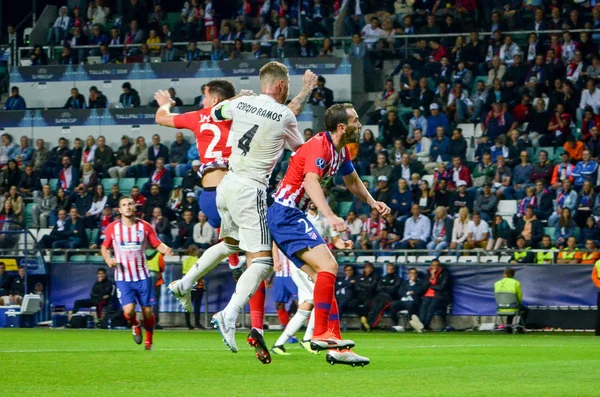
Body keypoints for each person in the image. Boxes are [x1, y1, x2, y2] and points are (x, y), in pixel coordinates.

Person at [165, 64, 317, 363]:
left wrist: (235, 100)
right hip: (251, 189)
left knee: (230, 244)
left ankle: (183, 283)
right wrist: (308, 89)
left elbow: (217, 112)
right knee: (262, 263)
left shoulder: (241, 103)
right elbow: (300, 148)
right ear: (282, 86)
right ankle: (229, 314)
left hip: (226, 184)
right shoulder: (285, 115)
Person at [268, 103, 390, 366]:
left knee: (324, 278)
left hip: (289, 216)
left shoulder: (340, 151)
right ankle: (322, 333)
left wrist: (372, 203)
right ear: (342, 127)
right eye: (356, 120)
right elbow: (311, 181)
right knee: (329, 266)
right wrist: (330, 216)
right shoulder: (319, 147)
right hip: (286, 213)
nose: (360, 125)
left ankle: (337, 347)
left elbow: (353, 182)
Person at [155, 80, 242, 282]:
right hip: (237, 189)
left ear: (214, 99)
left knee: (224, 231)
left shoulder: (198, 117)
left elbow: (161, 117)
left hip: (210, 194)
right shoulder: (240, 114)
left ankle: (233, 262)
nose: (202, 102)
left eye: (204, 97)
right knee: (257, 245)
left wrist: (166, 103)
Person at [101, 197, 174, 350]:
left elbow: (156, 243)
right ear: (119, 210)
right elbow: (104, 246)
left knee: (147, 311)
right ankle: (134, 324)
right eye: (124, 205)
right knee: (128, 310)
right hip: (123, 277)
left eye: (130, 204)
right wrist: (108, 259)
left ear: (134, 207)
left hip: (142, 276)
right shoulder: (113, 228)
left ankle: (149, 341)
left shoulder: (145, 227)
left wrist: (166, 249)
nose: (127, 207)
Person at [409, 260, 451, 332]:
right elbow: (425, 285)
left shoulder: (445, 274)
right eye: (433, 265)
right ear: (431, 266)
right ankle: (420, 325)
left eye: (437, 265)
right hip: (427, 294)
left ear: (439, 266)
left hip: (438, 294)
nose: (435, 267)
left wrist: (431, 286)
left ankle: (424, 326)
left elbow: (442, 287)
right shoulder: (429, 273)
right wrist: (432, 276)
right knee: (423, 309)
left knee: (430, 309)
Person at [361, 263, 401, 331]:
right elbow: (377, 288)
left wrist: (384, 287)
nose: (390, 270)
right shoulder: (383, 277)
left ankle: (371, 325)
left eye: (391, 269)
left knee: (379, 309)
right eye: (388, 269)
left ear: (394, 270)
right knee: (373, 308)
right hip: (379, 295)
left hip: (388, 297)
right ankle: (367, 324)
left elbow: (394, 289)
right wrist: (387, 287)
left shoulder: (397, 278)